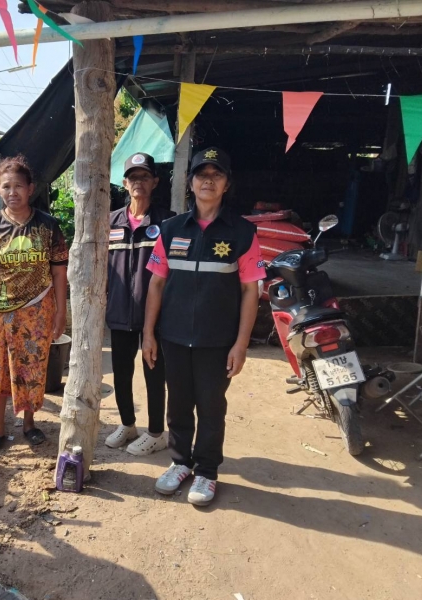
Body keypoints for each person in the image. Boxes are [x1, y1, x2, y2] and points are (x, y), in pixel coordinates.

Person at [142, 147, 265, 506]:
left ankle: (207, 471)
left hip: (218, 340)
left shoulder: (242, 233)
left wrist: (241, 343)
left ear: (227, 184)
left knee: (211, 407)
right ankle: (181, 463)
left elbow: (250, 291)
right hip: (174, 337)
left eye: (216, 174)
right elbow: (156, 285)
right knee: (178, 403)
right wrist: (149, 334)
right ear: (190, 182)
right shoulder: (170, 229)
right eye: (201, 174)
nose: (208, 180)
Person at [0, 155, 68, 454]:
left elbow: (59, 273)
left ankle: (29, 424)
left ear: (30, 189)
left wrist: (61, 311)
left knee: (32, 369)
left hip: (37, 311)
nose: (12, 192)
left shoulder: (48, 226)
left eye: (18, 186)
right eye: (6, 186)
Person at [105, 153, 174, 455]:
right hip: (119, 312)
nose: (138, 182)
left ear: (155, 182)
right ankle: (127, 424)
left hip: (156, 316)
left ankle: (156, 432)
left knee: (154, 374)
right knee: (121, 372)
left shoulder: (168, 222)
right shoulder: (110, 222)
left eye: (144, 176)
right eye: (133, 177)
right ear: (124, 183)